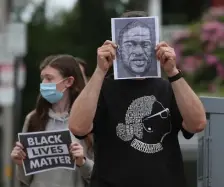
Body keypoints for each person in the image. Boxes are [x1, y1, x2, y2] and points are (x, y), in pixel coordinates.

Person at [68, 11, 206, 187]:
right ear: (118, 48)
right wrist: (100, 71)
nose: (139, 51)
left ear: (155, 47)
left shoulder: (169, 87)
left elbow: (198, 124)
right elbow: (77, 127)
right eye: (131, 44)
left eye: (145, 44)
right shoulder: (102, 89)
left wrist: (173, 72)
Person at [11, 54, 94, 187]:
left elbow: (99, 176)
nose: (43, 84)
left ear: (68, 82)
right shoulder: (33, 119)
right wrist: (21, 163)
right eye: (42, 78)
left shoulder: (88, 120)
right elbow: (25, 180)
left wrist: (82, 162)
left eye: (49, 78)